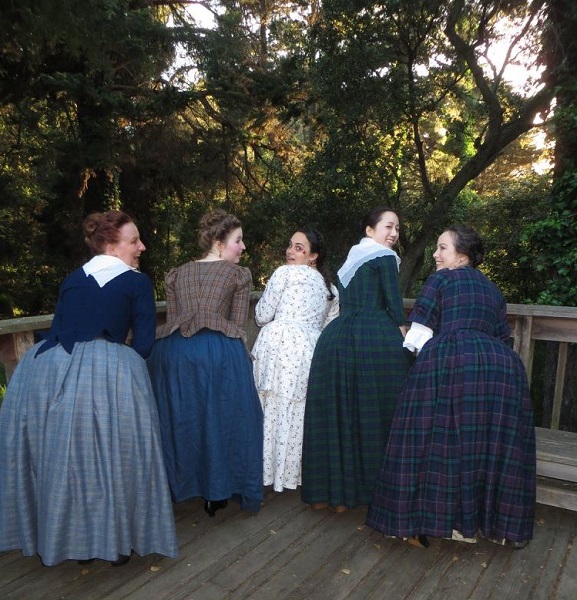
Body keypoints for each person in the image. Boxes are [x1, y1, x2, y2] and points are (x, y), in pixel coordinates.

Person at [0, 210, 179, 567]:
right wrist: (120, 364)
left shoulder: (73, 279)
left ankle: (75, 541)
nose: (141, 247)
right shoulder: (136, 282)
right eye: (134, 241)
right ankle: (116, 544)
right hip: (112, 374)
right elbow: (143, 343)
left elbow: (59, 328)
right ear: (112, 246)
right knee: (120, 455)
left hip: (51, 370)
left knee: (70, 456)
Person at [366, 225, 536, 549]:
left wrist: (408, 357)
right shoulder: (494, 290)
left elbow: (419, 334)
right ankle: (494, 525)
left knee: (426, 441)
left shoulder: (442, 279)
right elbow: (502, 336)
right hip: (501, 369)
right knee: (486, 447)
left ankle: (415, 520)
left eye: (442, 248)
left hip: (452, 360)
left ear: (461, 256)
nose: (435, 254)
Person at [147, 209, 263, 517]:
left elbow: (174, 320)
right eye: (238, 240)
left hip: (175, 353)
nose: (243, 246)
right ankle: (217, 492)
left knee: (184, 419)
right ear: (218, 241)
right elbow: (238, 325)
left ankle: (183, 486)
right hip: (218, 353)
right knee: (227, 419)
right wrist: (245, 358)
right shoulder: (238, 274)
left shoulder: (176, 273)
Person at [301, 207, 412, 512]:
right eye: (388, 227)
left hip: (337, 338)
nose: (393, 234)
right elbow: (392, 304)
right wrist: (404, 336)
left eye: (397, 229)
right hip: (374, 338)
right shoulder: (385, 257)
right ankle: (369, 491)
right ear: (369, 231)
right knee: (375, 410)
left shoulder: (350, 259)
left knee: (339, 412)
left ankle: (328, 494)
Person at [252, 228, 339, 492]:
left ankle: (264, 472)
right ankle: (291, 475)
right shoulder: (331, 289)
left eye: (299, 248)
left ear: (314, 255)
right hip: (309, 350)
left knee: (269, 408)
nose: (291, 252)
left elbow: (262, 315)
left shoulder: (283, 273)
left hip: (278, 344)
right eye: (290, 246)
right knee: (297, 413)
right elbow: (328, 327)